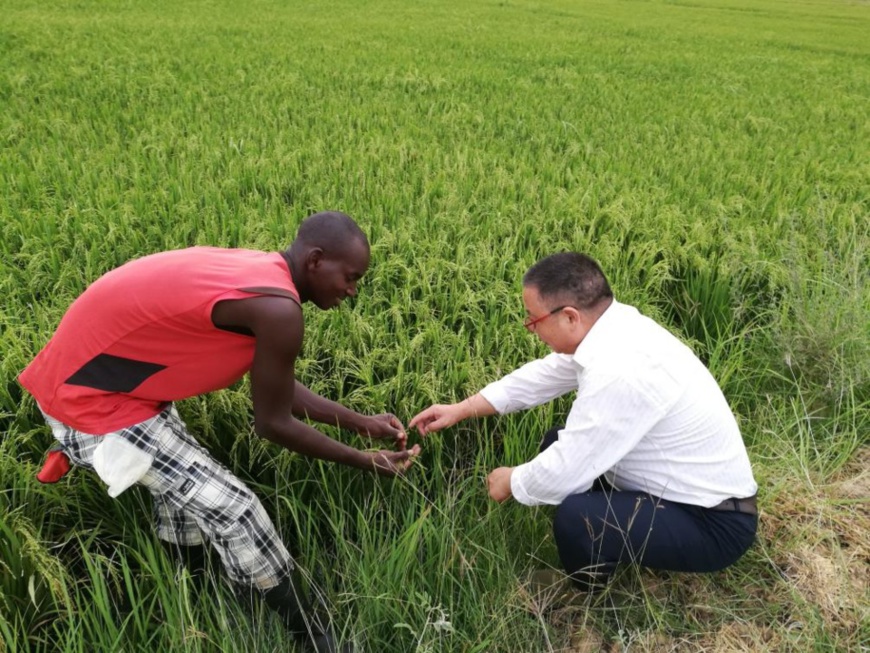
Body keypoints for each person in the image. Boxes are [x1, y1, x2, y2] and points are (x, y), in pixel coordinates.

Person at [20, 211, 420, 653]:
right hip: (88, 403)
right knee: (236, 510)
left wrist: (362, 424)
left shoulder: (265, 277)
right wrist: (364, 461)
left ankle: (192, 596)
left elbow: (277, 385)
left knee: (188, 499)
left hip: (114, 390)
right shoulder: (277, 308)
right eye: (350, 276)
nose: (352, 290)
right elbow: (273, 423)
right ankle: (315, 639)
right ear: (316, 260)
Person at [409, 252, 757, 596]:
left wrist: (511, 481)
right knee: (553, 441)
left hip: (713, 523)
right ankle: (611, 550)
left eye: (532, 319)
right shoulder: (614, 329)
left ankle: (587, 592)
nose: (530, 329)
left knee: (578, 517)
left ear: (570, 317)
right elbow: (543, 376)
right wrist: (462, 408)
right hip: (678, 494)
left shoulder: (620, 370)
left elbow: (565, 471)